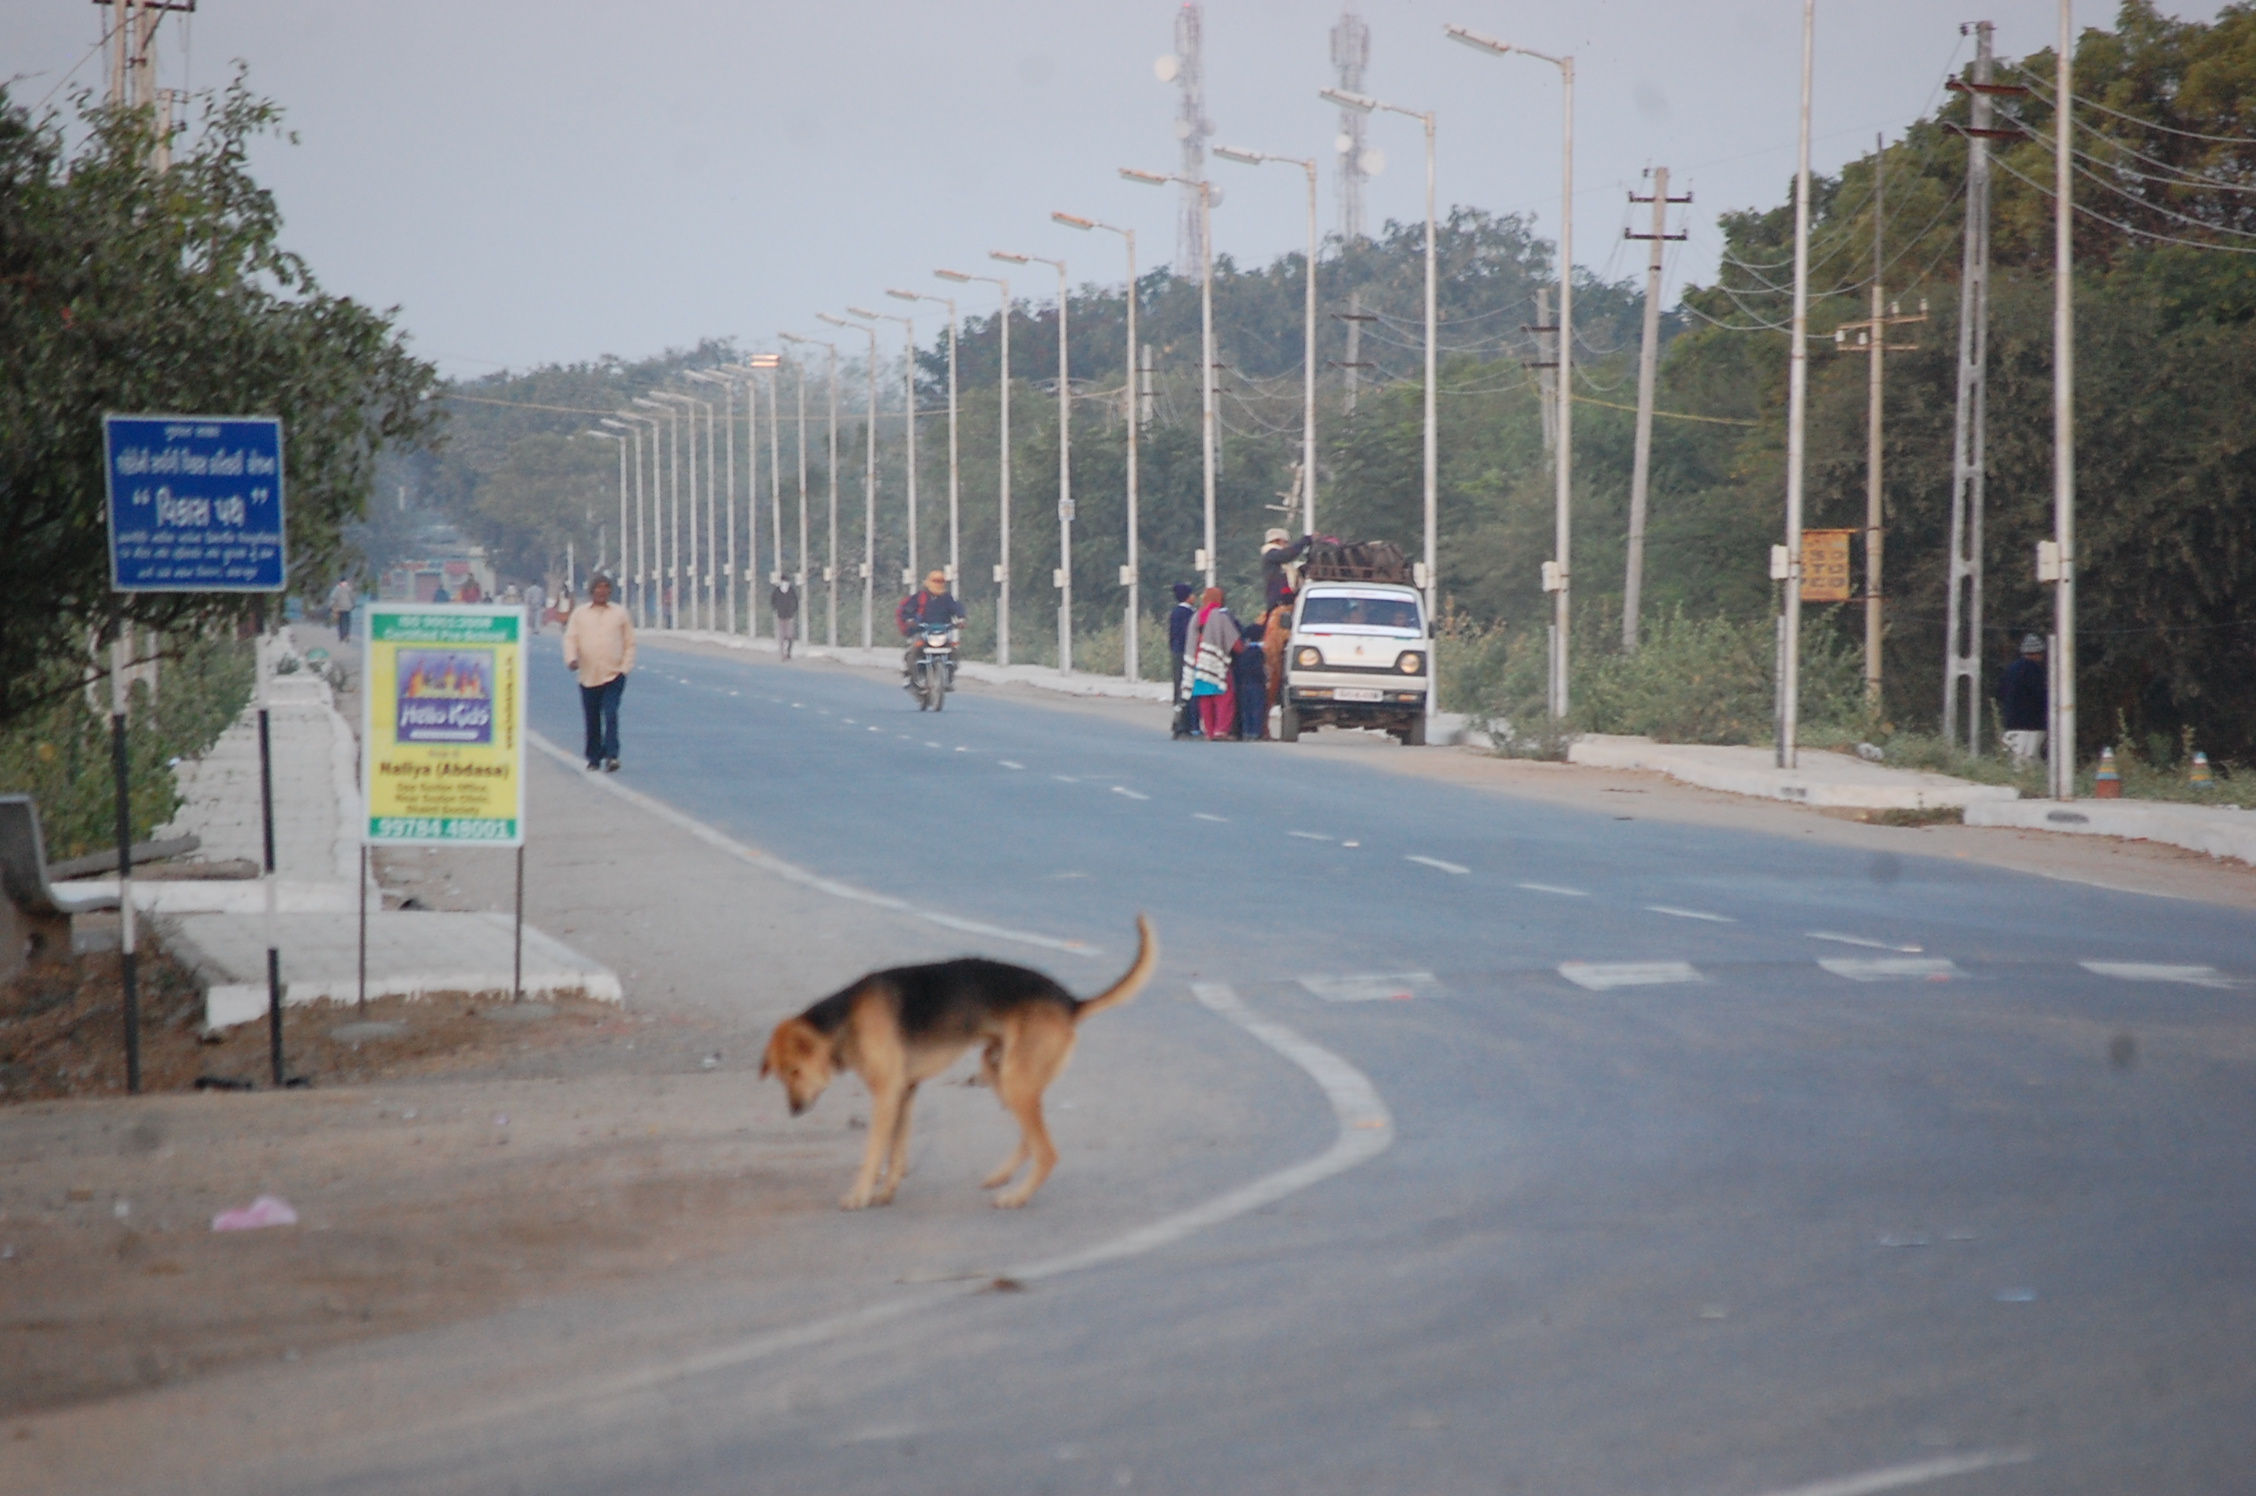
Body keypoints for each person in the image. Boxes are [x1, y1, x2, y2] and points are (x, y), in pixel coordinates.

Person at [564, 572, 635, 772]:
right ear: (592, 591)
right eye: (598, 587)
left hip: (614, 674)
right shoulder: (580, 614)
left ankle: (612, 755)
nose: (602, 591)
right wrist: (571, 659)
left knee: (611, 714)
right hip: (588, 675)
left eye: (605, 587)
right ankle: (594, 757)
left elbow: (630, 643)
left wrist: (625, 668)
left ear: (610, 591)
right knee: (592, 717)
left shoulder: (619, 613)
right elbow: (571, 639)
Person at [1188, 587, 1241, 742]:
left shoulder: (1196, 616)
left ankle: (1209, 731)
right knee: (1224, 696)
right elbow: (1234, 642)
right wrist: (1242, 649)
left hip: (1199, 662)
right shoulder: (1220, 616)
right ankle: (1221, 730)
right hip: (1216, 661)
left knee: (1205, 697)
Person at [897, 569, 966, 686]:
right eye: (935, 581)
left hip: (942, 633)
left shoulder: (947, 598)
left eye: (940, 581)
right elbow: (907, 609)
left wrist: (961, 619)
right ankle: (911, 676)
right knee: (913, 650)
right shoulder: (920, 597)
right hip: (922, 631)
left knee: (953, 651)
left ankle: (950, 676)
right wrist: (909, 619)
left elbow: (957, 608)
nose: (938, 584)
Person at [1998, 633, 2048, 763]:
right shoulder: (2034, 670)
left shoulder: (2011, 669)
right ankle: (2025, 781)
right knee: (2028, 758)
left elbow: (2000, 693)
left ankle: (2019, 780)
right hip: (2032, 724)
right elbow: (2040, 695)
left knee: (2015, 758)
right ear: (2036, 653)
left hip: (2011, 722)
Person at [1167, 582, 1199, 739]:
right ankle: (1182, 724)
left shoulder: (1177, 612)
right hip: (1183, 653)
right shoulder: (1184, 613)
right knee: (1184, 687)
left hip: (1177, 652)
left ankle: (1179, 723)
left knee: (1181, 687)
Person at [1234, 612, 1272, 741]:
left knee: (1246, 709)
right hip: (1256, 684)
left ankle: (1247, 731)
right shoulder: (1258, 652)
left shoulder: (1244, 652)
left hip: (1244, 684)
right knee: (1257, 708)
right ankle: (1256, 732)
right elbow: (1258, 668)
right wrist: (1264, 678)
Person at [1261, 528, 1313, 611]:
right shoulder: (1271, 554)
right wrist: (1304, 541)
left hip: (1285, 600)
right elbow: (1287, 555)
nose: (1287, 545)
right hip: (1278, 601)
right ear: (1278, 541)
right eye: (1285, 542)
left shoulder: (1281, 561)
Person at [771, 576, 801, 661]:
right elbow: (773, 601)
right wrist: (776, 609)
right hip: (780, 616)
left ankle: (788, 651)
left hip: (789, 616)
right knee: (781, 637)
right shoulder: (777, 590)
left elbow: (796, 601)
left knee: (790, 636)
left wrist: (793, 610)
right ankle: (782, 654)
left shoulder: (791, 590)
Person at [327, 576, 356, 641]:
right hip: (348, 608)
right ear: (345, 581)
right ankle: (347, 635)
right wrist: (353, 604)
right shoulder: (349, 588)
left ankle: (342, 636)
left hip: (340, 608)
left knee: (341, 622)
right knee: (347, 622)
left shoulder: (337, 589)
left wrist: (331, 605)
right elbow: (352, 597)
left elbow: (333, 597)